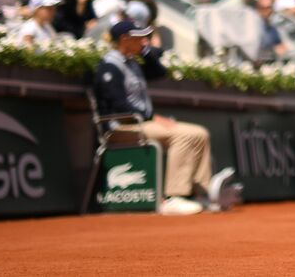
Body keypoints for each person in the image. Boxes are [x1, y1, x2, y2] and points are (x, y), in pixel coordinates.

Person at [94, 20, 231, 216]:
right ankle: (175, 196)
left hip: (140, 123)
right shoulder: (109, 67)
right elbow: (118, 106)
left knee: (200, 133)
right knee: (184, 136)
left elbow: (160, 72)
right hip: (120, 128)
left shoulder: (132, 62)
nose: (144, 40)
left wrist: (147, 53)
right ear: (124, 39)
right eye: (139, 37)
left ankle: (200, 192)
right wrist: (153, 117)